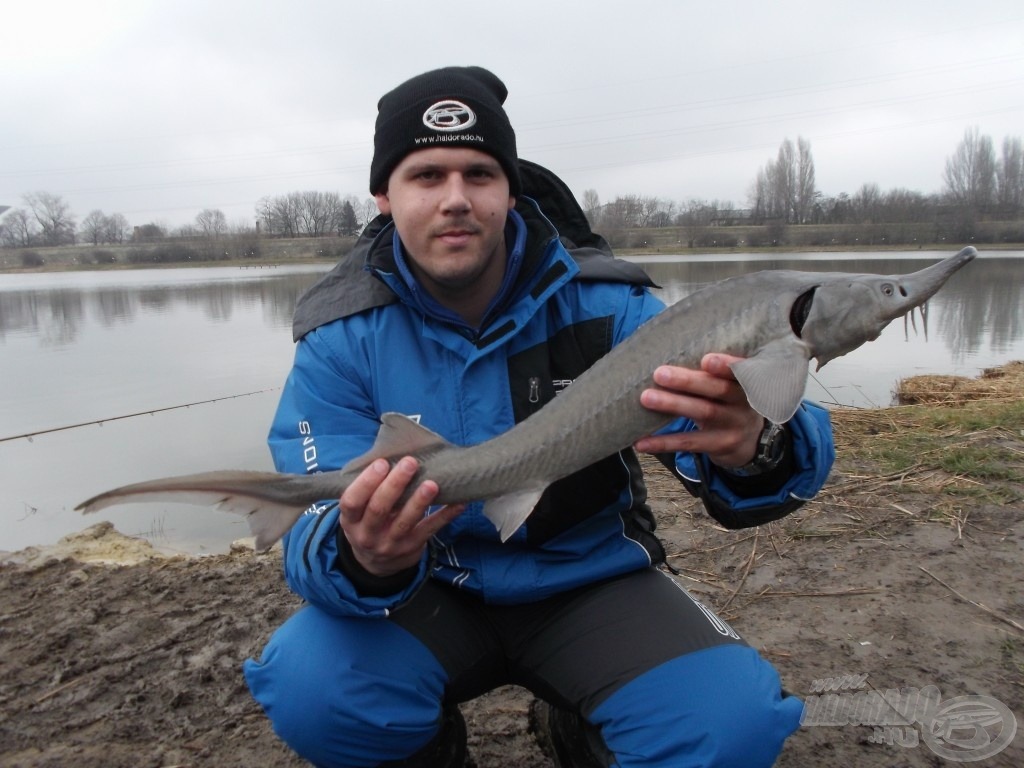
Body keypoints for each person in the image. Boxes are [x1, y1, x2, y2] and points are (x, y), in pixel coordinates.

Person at [243, 66, 835, 768]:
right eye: (427, 176)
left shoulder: (611, 309)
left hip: (591, 582)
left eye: (480, 174)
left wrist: (755, 444)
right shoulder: (340, 337)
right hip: (429, 590)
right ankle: (427, 750)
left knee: (730, 726)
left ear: (511, 190)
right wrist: (363, 556)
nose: (456, 199)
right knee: (312, 689)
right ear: (383, 195)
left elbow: (729, 456)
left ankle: (576, 733)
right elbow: (312, 531)